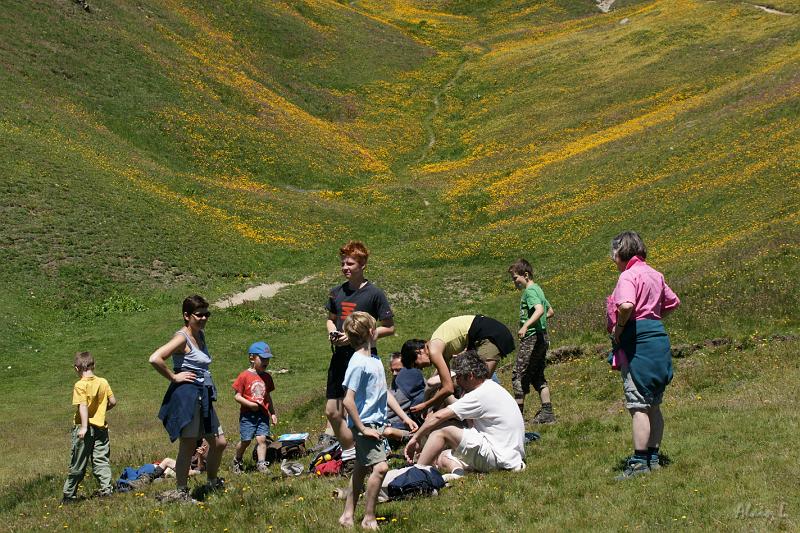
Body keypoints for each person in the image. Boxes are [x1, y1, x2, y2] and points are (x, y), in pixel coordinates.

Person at [607, 231, 680, 479]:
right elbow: (672, 303)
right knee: (655, 404)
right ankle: (653, 458)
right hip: (658, 338)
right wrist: (653, 319)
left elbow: (626, 305)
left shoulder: (628, 275)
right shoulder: (655, 274)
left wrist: (620, 328)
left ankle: (638, 463)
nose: (612, 260)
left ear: (621, 252)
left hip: (638, 342)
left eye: (613, 254)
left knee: (638, 404)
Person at [149, 295, 227, 503]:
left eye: (206, 314)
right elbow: (155, 358)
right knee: (188, 444)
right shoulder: (182, 338)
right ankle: (181, 491)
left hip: (204, 395)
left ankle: (211, 481)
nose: (203, 318)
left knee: (219, 442)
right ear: (186, 315)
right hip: (188, 396)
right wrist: (174, 376)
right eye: (199, 315)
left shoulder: (200, 335)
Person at [325, 241, 394, 473]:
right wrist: (332, 332)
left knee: (361, 409)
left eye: (350, 263)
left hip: (364, 357)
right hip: (340, 357)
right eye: (343, 263)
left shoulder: (374, 294)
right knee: (332, 412)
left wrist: (363, 337)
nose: (345, 267)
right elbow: (330, 317)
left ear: (363, 264)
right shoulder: (336, 291)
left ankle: (371, 451)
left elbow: (390, 327)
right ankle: (351, 452)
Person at [403, 350, 525, 476]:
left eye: (459, 376)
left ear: (471, 376)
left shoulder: (478, 395)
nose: (457, 381)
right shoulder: (491, 387)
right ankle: (457, 473)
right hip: (510, 455)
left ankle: (414, 475)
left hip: (499, 457)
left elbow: (439, 416)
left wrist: (415, 438)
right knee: (442, 455)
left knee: (443, 430)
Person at [338, 312, 392, 530]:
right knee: (381, 468)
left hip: (376, 422)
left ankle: (347, 515)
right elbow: (348, 401)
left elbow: (383, 393)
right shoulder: (358, 363)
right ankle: (369, 517)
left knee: (360, 468)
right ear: (371, 333)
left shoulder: (374, 359)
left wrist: (406, 418)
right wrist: (362, 428)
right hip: (366, 425)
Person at [400, 315, 515, 414]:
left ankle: (506, 416)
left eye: (416, 365)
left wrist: (426, 405)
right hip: (482, 334)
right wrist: (434, 410)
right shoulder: (438, 349)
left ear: (418, 352)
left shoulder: (434, 350)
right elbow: (446, 385)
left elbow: (448, 388)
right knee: (468, 384)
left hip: (489, 335)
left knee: (479, 385)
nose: (421, 368)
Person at [62, 352, 117, 503]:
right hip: (101, 427)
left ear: (76, 368)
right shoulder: (103, 382)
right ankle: (107, 490)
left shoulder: (80, 385)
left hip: (84, 429)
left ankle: (69, 495)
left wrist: (85, 426)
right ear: (94, 365)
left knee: (78, 462)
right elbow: (112, 401)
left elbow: (83, 406)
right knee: (101, 460)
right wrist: (100, 412)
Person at [508, 258, 556, 424]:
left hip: (532, 338)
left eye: (515, 278)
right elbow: (550, 311)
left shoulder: (529, 292)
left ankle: (517, 419)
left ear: (525, 275)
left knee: (518, 376)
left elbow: (540, 309)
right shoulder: (538, 289)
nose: (514, 282)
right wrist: (539, 321)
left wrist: (526, 325)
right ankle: (547, 413)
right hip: (542, 337)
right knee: (537, 374)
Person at [231, 341, 279, 474]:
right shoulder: (244, 376)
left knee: (262, 439)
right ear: (252, 358)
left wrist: (273, 413)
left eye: (268, 359)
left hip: (262, 414)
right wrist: (250, 404)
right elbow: (237, 396)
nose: (266, 362)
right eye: (263, 358)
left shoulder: (267, 377)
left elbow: (267, 397)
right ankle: (237, 459)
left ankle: (261, 463)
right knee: (246, 440)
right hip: (247, 415)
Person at [386, 348, 425, 431]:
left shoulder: (416, 383)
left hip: (400, 423)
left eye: (398, 370)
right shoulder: (394, 382)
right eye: (392, 370)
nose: (394, 374)